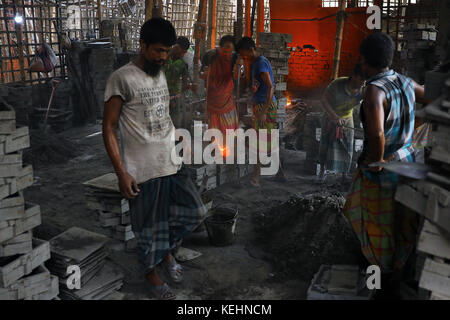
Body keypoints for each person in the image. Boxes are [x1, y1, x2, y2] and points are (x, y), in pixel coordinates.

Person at [102, 18, 206, 300]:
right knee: (148, 228)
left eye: (167, 51)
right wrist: (121, 172)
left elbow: (162, 113)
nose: (163, 57)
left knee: (195, 212)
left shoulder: (159, 72)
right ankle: (152, 275)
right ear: (143, 45)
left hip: (171, 159)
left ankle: (167, 254)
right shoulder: (121, 78)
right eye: (158, 51)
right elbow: (109, 127)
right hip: (143, 169)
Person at [343, 32, 426, 299]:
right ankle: (394, 283)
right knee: (402, 226)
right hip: (408, 164)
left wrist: (376, 163)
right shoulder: (406, 81)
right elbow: (433, 101)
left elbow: (376, 134)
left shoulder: (373, 90)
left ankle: (379, 288)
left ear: (364, 60)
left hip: (384, 171)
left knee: (377, 228)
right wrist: (412, 128)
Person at [236, 36, 284, 187]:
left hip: (266, 107)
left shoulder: (261, 63)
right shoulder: (254, 63)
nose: (244, 58)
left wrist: (263, 112)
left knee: (261, 141)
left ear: (251, 49)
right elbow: (255, 85)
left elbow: (270, 87)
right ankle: (280, 172)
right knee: (265, 139)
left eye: (245, 55)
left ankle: (255, 178)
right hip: (260, 105)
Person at [318, 63, 365, 181]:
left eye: (365, 80)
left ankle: (344, 174)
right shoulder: (337, 84)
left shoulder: (363, 89)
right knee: (326, 144)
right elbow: (323, 100)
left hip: (347, 118)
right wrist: (333, 116)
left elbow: (368, 106)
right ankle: (322, 172)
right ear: (354, 76)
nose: (363, 82)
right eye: (361, 79)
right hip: (331, 115)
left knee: (348, 145)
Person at [200, 35, 239, 152]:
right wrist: (205, 73)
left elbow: (236, 76)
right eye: (225, 49)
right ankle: (216, 150)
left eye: (230, 50)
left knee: (228, 128)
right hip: (213, 99)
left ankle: (228, 150)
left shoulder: (234, 59)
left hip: (226, 99)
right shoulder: (210, 56)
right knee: (215, 129)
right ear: (220, 47)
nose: (227, 53)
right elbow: (201, 73)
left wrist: (238, 66)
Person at [164, 36, 195, 128]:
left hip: (175, 98)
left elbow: (185, 85)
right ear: (175, 48)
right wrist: (171, 52)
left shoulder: (183, 64)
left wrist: (190, 86)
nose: (182, 55)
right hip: (161, 94)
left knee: (174, 122)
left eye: (184, 53)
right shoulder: (164, 57)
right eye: (181, 51)